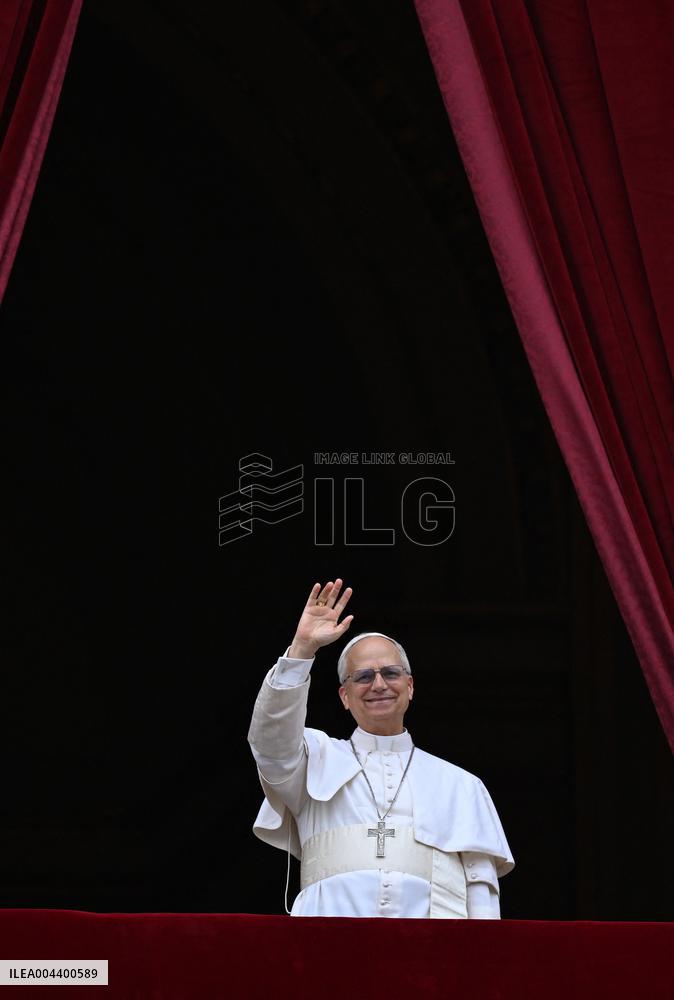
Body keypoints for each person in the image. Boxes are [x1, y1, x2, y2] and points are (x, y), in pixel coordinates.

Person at [248, 578, 514, 918]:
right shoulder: (313, 759)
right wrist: (302, 649)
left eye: (390, 673)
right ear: (344, 697)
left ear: (410, 686)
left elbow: (482, 897)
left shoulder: (462, 786)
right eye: (362, 676)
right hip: (326, 951)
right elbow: (269, 740)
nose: (378, 684)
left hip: (429, 960)